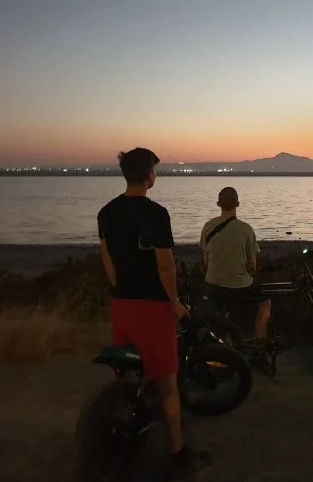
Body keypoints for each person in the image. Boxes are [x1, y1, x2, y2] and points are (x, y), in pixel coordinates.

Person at [97, 147, 210, 477]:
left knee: (128, 372)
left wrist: (121, 287)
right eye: (154, 170)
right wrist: (173, 302)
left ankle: (119, 432)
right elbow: (165, 265)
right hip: (151, 308)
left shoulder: (106, 212)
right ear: (148, 175)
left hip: (121, 305)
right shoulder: (156, 213)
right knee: (167, 383)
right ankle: (176, 453)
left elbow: (107, 257)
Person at [200, 187, 270, 338]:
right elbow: (252, 266)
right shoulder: (246, 229)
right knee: (265, 303)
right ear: (237, 204)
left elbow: (205, 262)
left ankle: (223, 339)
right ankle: (260, 342)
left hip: (213, 285)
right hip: (239, 287)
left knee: (221, 308)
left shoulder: (207, 227)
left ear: (218, 204)